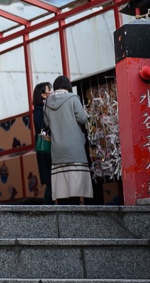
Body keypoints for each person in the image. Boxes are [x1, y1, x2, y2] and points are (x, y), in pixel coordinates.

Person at [44, 75, 93, 204]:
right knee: (76, 184)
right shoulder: (73, 99)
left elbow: (47, 124)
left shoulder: (47, 103)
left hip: (57, 149)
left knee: (62, 186)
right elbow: (82, 118)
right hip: (74, 147)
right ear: (68, 87)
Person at [32, 82, 54, 205]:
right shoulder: (39, 111)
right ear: (43, 95)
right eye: (49, 90)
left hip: (45, 149)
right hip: (46, 149)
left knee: (51, 181)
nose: (51, 92)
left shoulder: (42, 109)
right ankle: (47, 208)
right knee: (51, 181)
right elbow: (43, 127)